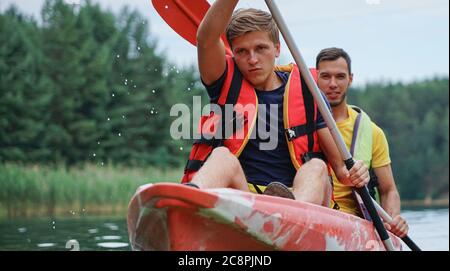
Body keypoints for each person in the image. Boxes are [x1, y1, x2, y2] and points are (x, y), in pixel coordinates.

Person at [181, 0, 370, 208]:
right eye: (242, 51)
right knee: (222, 156)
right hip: (245, 200)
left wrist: (355, 173)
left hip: (297, 199)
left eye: (260, 48)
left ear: (277, 49)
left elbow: (341, 171)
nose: (252, 59)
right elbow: (206, 38)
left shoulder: (308, 93)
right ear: (233, 53)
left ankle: (289, 214)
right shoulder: (224, 81)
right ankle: (188, 205)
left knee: (316, 167)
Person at [315, 47, 409, 237]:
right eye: (325, 76)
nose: (333, 84)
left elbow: (389, 190)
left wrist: (393, 218)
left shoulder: (373, 132)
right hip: (315, 214)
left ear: (350, 79)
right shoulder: (298, 123)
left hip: (356, 224)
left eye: (340, 77)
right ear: (314, 78)